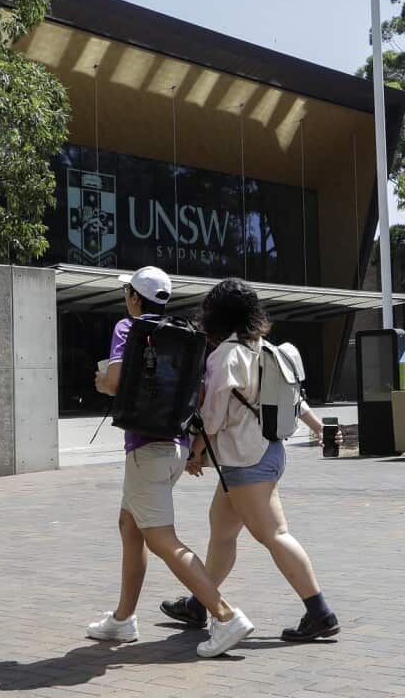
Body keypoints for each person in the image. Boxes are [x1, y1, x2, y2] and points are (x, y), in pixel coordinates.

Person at [160, 278, 340, 642]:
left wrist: (195, 453)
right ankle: (199, 603)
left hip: (245, 461)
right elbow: (293, 400)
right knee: (222, 530)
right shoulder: (266, 348)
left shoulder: (226, 355)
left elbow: (212, 416)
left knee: (274, 534)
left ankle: (319, 611)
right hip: (268, 452)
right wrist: (319, 426)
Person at [87, 266, 255, 658]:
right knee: (130, 525)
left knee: (162, 539)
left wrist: (101, 382)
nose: (126, 297)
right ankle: (123, 620)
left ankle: (226, 616)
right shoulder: (183, 337)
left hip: (146, 448)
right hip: (175, 448)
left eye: (127, 292)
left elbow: (113, 382)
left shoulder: (128, 329)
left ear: (134, 298)